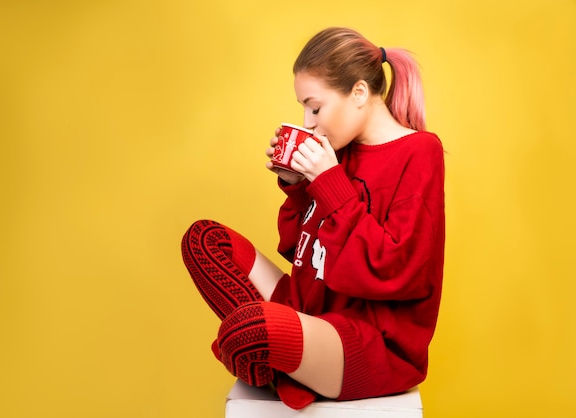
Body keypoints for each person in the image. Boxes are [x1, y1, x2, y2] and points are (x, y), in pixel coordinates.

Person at [181, 27, 445, 410]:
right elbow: (300, 252)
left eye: (315, 107)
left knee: (250, 330)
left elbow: (396, 270)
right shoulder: (339, 152)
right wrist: (298, 185)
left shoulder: (420, 151)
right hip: (313, 308)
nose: (308, 121)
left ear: (358, 93)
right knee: (203, 240)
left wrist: (328, 181)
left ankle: (270, 353)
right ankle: (277, 359)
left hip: (367, 342)